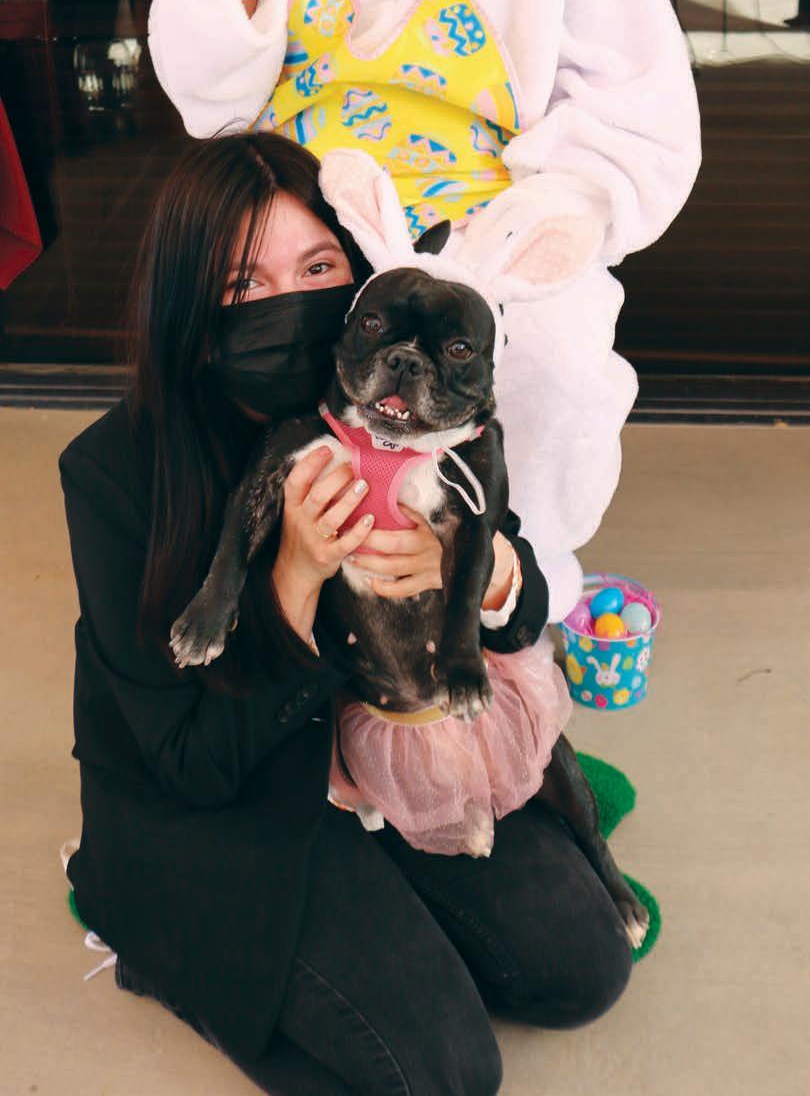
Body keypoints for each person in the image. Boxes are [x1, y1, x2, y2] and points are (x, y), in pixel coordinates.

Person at [60, 133, 633, 1096]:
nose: (288, 302)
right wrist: (292, 573)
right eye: (243, 283)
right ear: (189, 306)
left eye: (319, 266)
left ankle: (395, 884)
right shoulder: (112, 473)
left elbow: (516, 596)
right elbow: (192, 760)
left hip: (387, 747)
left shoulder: (400, 403)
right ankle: (162, 945)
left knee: (582, 968)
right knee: (442, 1072)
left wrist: (486, 569)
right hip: (227, 799)